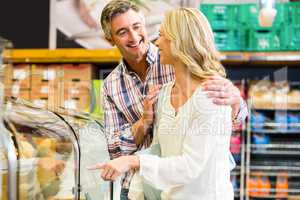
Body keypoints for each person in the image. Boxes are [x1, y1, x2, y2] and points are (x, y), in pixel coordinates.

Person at [99, 1, 247, 199]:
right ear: (110, 39)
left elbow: (193, 162)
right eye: (123, 32)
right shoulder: (112, 86)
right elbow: (116, 150)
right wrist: (144, 122)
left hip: (193, 187)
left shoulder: (189, 74)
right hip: (142, 184)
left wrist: (236, 102)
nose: (134, 37)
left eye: (137, 27)